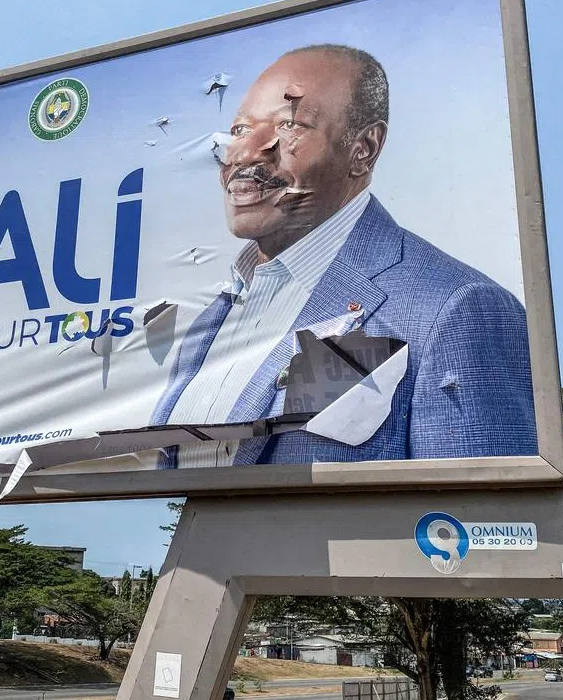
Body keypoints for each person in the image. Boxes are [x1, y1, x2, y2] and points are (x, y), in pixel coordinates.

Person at [148, 44, 536, 468]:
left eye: (289, 125)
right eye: (240, 130)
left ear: (363, 149)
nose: (245, 153)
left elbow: (479, 518)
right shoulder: (208, 321)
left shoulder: (457, 308)